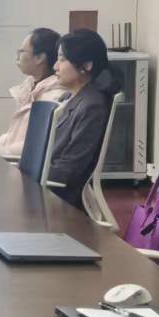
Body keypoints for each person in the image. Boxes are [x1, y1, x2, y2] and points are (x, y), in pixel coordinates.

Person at [44, 28, 118, 207]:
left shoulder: (92, 106)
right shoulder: (69, 97)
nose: (55, 66)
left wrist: (27, 172)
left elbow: (69, 170)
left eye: (62, 59)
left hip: (60, 199)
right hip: (45, 184)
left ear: (87, 65)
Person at [0, 27, 68, 160]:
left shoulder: (54, 98)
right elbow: (12, 136)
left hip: (21, 166)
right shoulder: (30, 87)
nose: (18, 56)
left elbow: (34, 145)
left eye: (22, 51)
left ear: (40, 58)